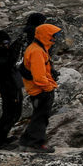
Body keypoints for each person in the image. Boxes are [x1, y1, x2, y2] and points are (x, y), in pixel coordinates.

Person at [21, 23, 61, 154]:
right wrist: (49, 88)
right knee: (41, 118)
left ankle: (26, 141)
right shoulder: (37, 51)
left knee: (38, 116)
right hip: (41, 90)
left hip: (38, 90)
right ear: (46, 36)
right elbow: (38, 77)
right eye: (53, 36)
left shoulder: (39, 48)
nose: (55, 39)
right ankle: (36, 144)